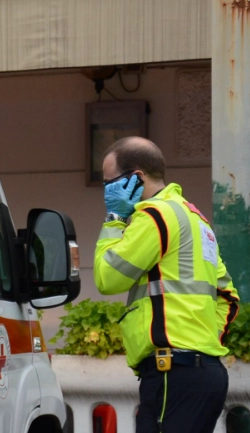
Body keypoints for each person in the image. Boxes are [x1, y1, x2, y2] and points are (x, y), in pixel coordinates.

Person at [93, 136, 239, 433]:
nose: (106, 191)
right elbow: (228, 295)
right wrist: (201, 344)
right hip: (204, 374)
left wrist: (113, 219)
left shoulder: (153, 216)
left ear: (136, 178)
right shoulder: (196, 220)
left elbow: (107, 278)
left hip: (172, 372)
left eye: (110, 182)